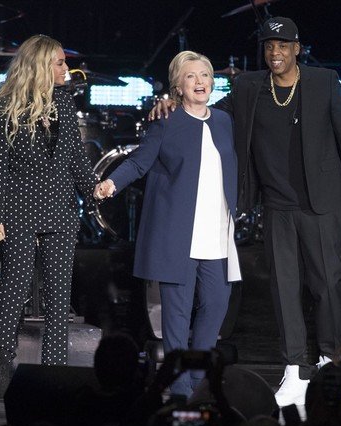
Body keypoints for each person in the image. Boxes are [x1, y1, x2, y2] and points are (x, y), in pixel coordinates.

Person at [150, 16, 341, 408]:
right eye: (270, 46)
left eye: (283, 46)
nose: (275, 53)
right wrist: (172, 102)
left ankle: (326, 361)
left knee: (326, 283)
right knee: (284, 288)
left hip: (320, 202)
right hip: (276, 204)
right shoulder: (249, 85)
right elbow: (206, 110)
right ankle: (295, 370)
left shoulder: (324, 82)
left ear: (297, 48)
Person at [94, 50, 241, 398]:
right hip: (177, 233)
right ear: (178, 86)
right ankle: (180, 388)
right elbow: (140, 162)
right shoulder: (166, 121)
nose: (200, 81)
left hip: (217, 230)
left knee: (217, 302)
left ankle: (199, 375)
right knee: (176, 314)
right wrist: (111, 183)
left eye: (205, 75)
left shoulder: (223, 120)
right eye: (191, 76)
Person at [0, 34, 98, 399]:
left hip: (61, 211)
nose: (67, 69)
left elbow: (76, 161)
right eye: (60, 63)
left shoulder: (64, 102)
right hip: (20, 210)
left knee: (59, 299)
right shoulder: (5, 108)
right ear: (41, 65)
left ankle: (53, 375)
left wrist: (95, 188)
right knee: (14, 291)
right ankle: (2, 365)